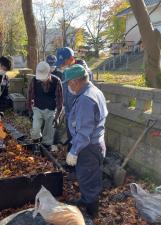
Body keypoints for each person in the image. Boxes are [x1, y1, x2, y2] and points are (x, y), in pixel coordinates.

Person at [64, 64, 108, 218]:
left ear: (76, 81)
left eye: (69, 83)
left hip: (88, 147)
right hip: (96, 144)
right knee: (87, 177)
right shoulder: (95, 91)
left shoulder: (85, 99)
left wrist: (74, 151)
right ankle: (85, 200)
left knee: (88, 178)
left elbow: (84, 132)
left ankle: (91, 214)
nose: (69, 87)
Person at [27, 61, 63, 151]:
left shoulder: (56, 81)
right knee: (35, 130)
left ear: (49, 73)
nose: (42, 80)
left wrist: (57, 116)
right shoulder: (34, 81)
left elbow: (59, 100)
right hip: (37, 108)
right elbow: (29, 97)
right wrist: (30, 112)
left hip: (51, 110)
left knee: (49, 133)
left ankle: (45, 148)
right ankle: (36, 144)